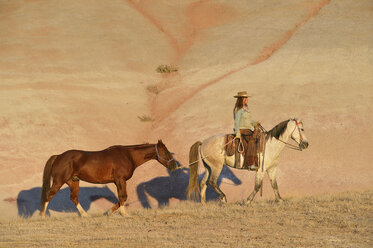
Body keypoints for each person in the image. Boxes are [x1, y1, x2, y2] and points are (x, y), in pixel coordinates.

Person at [233, 91, 261, 170]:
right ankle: (250, 164)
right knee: (251, 141)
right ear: (241, 99)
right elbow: (236, 121)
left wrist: (255, 123)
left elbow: (249, 121)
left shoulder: (246, 108)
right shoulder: (238, 109)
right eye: (245, 98)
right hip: (242, 130)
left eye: (247, 97)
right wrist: (237, 133)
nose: (247, 99)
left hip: (248, 130)